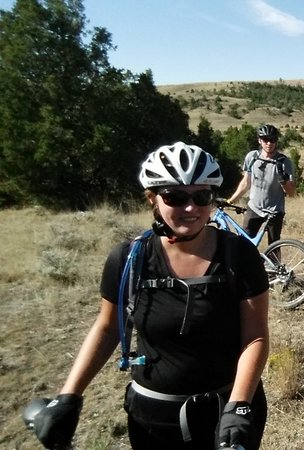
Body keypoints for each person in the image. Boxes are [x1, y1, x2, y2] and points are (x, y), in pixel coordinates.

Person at [31, 142, 270, 449]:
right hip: (153, 418)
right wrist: (69, 396)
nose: (190, 208)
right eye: (175, 196)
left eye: (202, 197)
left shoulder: (239, 257)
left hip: (227, 412)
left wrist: (238, 406)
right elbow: (108, 328)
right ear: (153, 199)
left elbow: (255, 338)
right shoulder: (129, 259)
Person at [227, 123, 296, 242]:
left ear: (276, 141)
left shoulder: (284, 162)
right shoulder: (252, 157)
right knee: (244, 243)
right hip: (254, 208)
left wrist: (283, 181)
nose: (269, 143)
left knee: (274, 247)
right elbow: (245, 183)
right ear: (259, 140)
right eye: (265, 140)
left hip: (274, 211)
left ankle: (273, 262)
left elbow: (291, 193)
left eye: (272, 140)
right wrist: (230, 201)